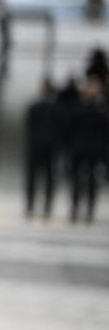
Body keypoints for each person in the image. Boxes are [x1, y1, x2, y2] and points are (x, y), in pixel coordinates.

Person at [67, 75, 109, 223]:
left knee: (92, 181)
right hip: (78, 149)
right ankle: (74, 208)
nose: (92, 90)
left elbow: (105, 131)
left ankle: (90, 210)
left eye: (95, 87)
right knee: (76, 180)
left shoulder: (102, 108)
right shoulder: (79, 106)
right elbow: (70, 127)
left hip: (95, 150)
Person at [24, 78, 63, 219]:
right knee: (36, 178)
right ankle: (32, 205)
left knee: (47, 179)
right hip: (37, 148)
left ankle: (45, 206)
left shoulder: (55, 109)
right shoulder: (35, 108)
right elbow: (29, 128)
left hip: (48, 150)